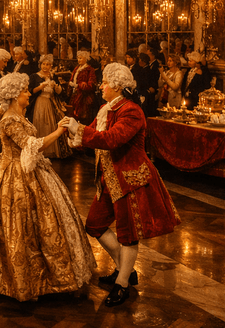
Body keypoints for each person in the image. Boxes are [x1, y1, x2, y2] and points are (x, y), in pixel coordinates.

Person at [0, 72, 96, 301]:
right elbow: (32, 146)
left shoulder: (17, 115)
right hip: (13, 173)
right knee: (16, 223)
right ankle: (18, 277)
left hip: (27, 168)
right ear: (15, 96)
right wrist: (59, 130)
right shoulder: (9, 120)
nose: (28, 94)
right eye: (25, 91)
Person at [66, 63, 180, 307]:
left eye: (105, 82)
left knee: (128, 235)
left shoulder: (131, 111)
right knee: (94, 224)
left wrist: (80, 130)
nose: (101, 86)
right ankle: (125, 270)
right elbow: (93, 135)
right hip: (107, 179)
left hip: (130, 180)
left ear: (117, 86)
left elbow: (112, 139)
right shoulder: (105, 108)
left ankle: (122, 283)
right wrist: (74, 133)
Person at [27, 55, 71, 158]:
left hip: (51, 103)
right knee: (40, 123)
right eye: (43, 64)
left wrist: (56, 88)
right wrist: (40, 87)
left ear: (51, 66)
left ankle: (50, 150)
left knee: (50, 124)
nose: (45, 66)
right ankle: (38, 150)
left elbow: (61, 93)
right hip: (39, 103)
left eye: (47, 64)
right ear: (40, 64)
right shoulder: (34, 76)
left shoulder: (53, 76)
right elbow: (30, 91)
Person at [67, 50, 97, 125]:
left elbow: (91, 85)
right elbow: (72, 79)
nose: (79, 60)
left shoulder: (89, 69)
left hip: (84, 98)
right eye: (78, 58)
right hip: (74, 96)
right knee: (72, 116)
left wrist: (78, 85)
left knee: (83, 118)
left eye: (80, 58)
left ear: (86, 59)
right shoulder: (76, 68)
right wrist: (70, 84)